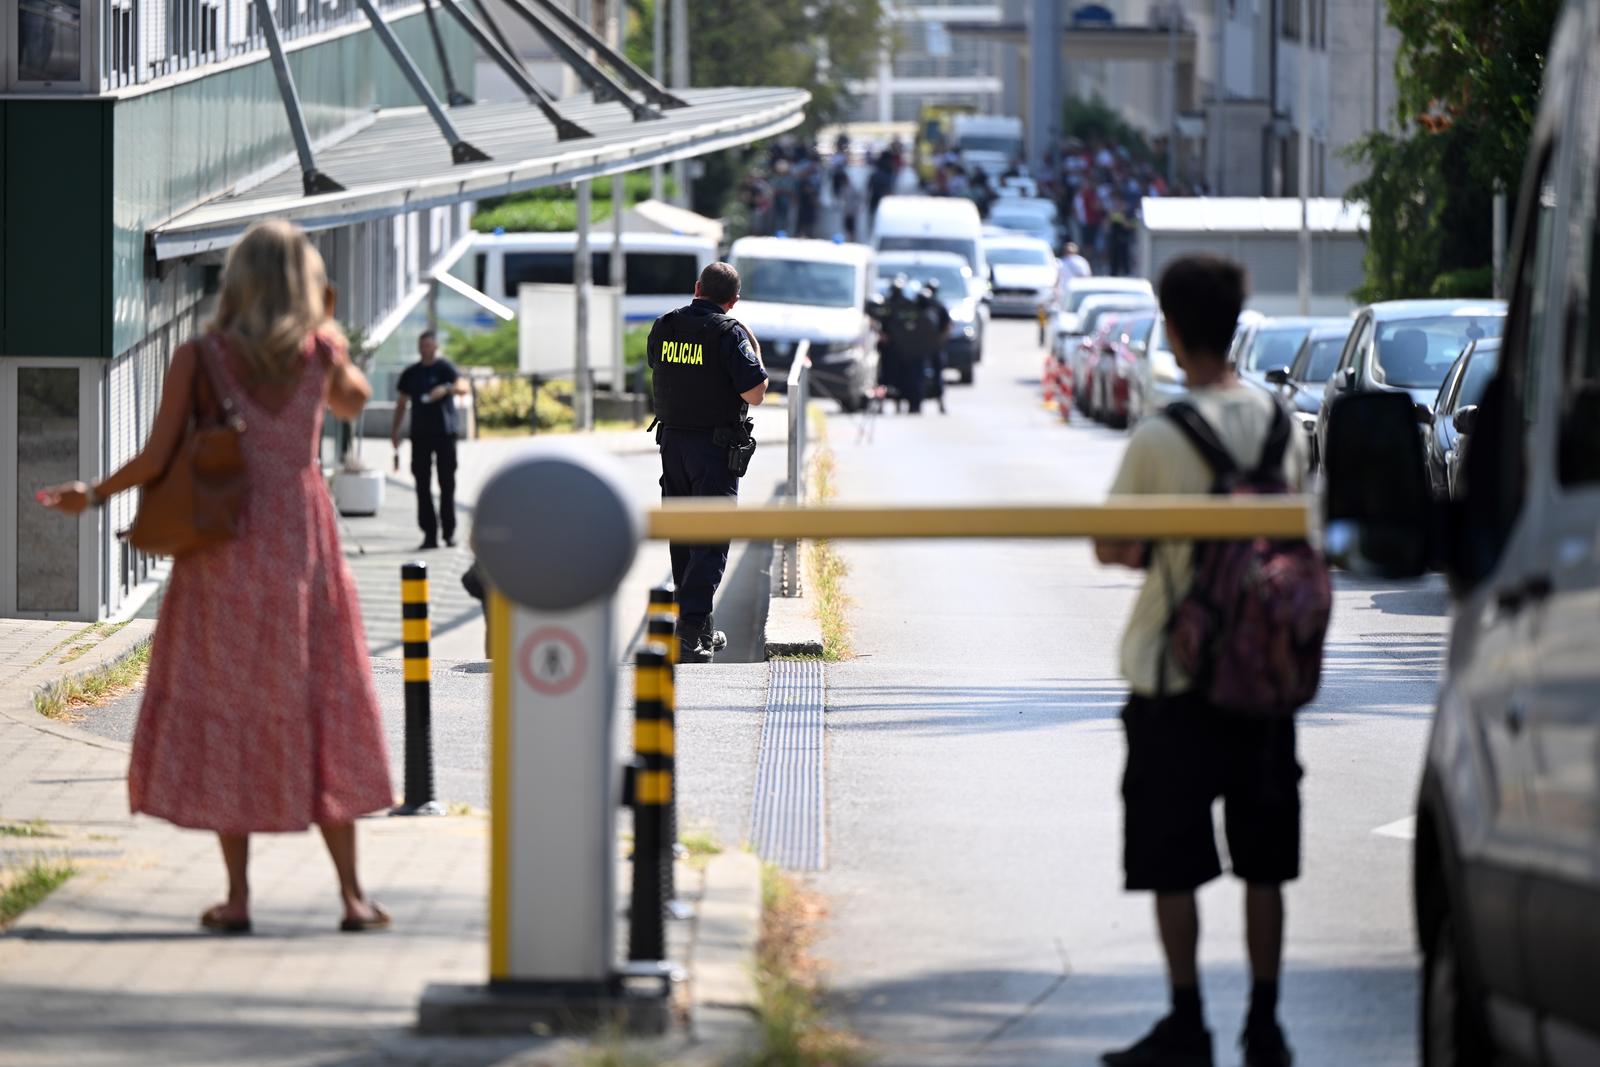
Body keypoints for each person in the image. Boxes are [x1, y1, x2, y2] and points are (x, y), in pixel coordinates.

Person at [38, 219, 393, 935]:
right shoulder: (318, 351)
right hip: (301, 547)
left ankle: (237, 897)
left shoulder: (202, 357)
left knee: (231, 702)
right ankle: (353, 896)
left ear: (238, 283)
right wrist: (326, 326)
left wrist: (94, 493)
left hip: (222, 553)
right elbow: (354, 401)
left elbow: (158, 456)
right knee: (319, 695)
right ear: (302, 285)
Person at [1093, 253, 1305, 1067]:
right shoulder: (1282, 425)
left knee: (1171, 857)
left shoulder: (1160, 435)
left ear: (1173, 331)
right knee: (1264, 864)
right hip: (1264, 676)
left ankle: (1187, 1021)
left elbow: (1113, 543)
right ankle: (1266, 1022)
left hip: (1174, 676)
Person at [648, 262, 769, 663]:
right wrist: (747, 335)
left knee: (682, 535)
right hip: (713, 451)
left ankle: (695, 626)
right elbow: (755, 392)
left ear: (697, 287)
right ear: (733, 301)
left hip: (672, 445)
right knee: (712, 539)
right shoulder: (729, 332)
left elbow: (661, 368)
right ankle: (690, 628)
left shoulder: (665, 325)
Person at [391, 331, 468, 550]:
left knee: (447, 483)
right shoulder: (411, 373)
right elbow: (401, 403)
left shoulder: (445, 368)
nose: (425, 349)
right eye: (421, 345)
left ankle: (449, 531)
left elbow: (463, 387)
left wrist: (445, 389)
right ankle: (429, 533)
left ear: (435, 347)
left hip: (445, 433)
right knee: (422, 485)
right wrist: (395, 431)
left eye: (428, 345)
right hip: (420, 434)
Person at [917, 279, 952, 415]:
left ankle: (938, 402)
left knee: (932, 376)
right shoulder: (935, 305)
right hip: (933, 347)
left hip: (929, 347)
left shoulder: (937, 306)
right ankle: (923, 402)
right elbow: (948, 327)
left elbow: (947, 326)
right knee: (924, 376)